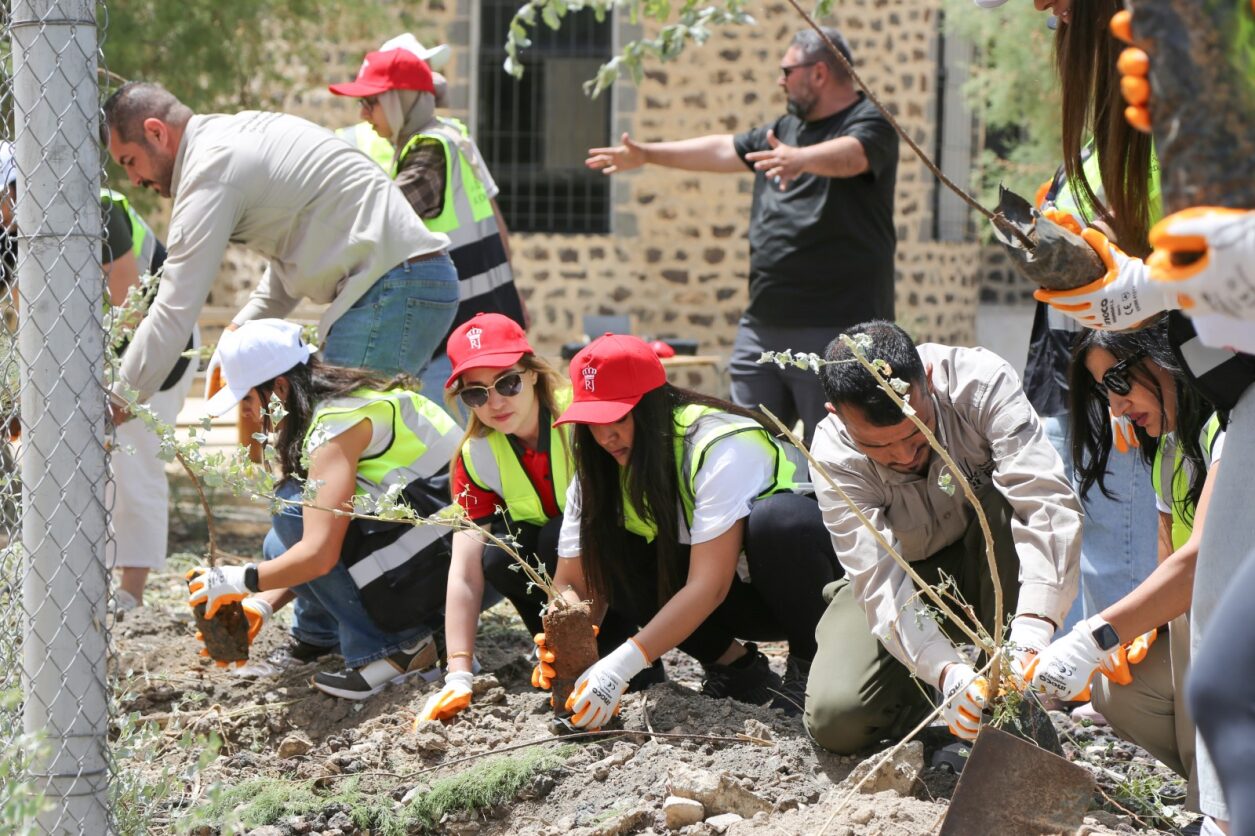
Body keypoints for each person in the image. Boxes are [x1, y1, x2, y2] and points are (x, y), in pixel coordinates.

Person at [585, 27, 898, 443]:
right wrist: (647, 154)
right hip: (763, 323)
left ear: (819, 72)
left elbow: (853, 155)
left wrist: (799, 159)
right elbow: (722, 149)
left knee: (837, 453)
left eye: (786, 70)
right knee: (745, 442)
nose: (780, 81)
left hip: (837, 329)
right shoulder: (783, 129)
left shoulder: (871, 121)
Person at [532, 333, 841, 726]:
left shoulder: (719, 444)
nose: (605, 436)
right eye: (592, 422)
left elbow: (709, 586)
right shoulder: (598, 468)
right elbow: (573, 582)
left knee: (778, 521)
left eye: (618, 418)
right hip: (725, 597)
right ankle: (737, 670)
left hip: (801, 590)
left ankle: (809, 665)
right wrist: (565, 636)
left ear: (653, 406)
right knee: (608, 548)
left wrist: (620, 665)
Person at [805, 319, 1082, 753]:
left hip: (993, 565)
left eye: (917, 434)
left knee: (1006, 506)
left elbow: (1044, 504)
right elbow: (878, 580)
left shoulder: (981, 385)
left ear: (928, 380)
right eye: (879, 447)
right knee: (838, 719)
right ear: (836, 415)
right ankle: (942, 701)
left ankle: (1007, 707)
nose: (904, 455)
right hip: (906, 582)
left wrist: (1031, 630)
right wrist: (946, 672)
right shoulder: (833, 454)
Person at [101, 81, 459, 415]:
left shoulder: (209, 171)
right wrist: (237, 332)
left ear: (156, 132)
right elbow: (292, 258)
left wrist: (116, 404)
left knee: (336, 433)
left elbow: (174, 309)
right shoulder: (229, 139)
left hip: (394, 285)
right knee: (364, 438)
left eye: (130, 161)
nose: (134, 180)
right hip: (410, 280)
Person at [186, 319, 462, 700]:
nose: (247, 413)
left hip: (458, 559)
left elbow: (320, 554)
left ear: (279, 388)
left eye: (248, 399)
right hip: (452, 551)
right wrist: (261, 605)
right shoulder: (344, 401)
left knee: (292, 512)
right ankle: (366, 636)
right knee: (278, 544)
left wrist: (241, 579)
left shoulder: (335, 426)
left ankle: (400, 648)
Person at [417, 314, 661, 721]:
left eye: (507, 383)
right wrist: (458, 672)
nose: (495, 403)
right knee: (500, 557)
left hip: (629, 561)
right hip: (566, 580)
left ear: (531, 373)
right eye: (476, 393)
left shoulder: (584, 413)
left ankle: (621, 659)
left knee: (553, 536)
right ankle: (555, 661)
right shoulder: (475, 454)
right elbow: (464, 571)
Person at [1026, 319, 1223, 812]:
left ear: (1165, 357)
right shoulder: (1171, 450)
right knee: (1120, 690)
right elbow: (1169, 563)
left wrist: (1094, 637)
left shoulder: (1228, 432)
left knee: (1197, 623)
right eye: (1104, 391)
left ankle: (1216, 809)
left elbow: (1198, 564)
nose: (1116, 406)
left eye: (1119, 381)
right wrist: (1138, 631)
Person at [0, 142, 198, 609]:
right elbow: (24, 313)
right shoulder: (9, 233)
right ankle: (82, 584)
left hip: (155, 349)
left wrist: (75, 369)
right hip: (83, 357)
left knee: (133, 464)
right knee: (80, 467)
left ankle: (131, 593)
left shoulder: (96, 207)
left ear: (18, 188)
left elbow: (127, 303)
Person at [329, 44, 526, 399]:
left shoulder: (429, 149)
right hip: (486, 320)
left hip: (459, 337)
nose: (363, 114)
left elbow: (380, 221)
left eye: (370, 102)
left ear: (399, 102)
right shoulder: (449, 137)